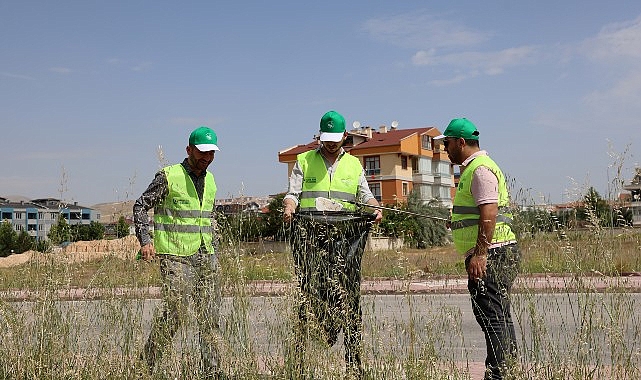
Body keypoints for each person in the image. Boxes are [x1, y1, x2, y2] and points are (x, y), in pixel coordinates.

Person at [283, 110, 383, 379]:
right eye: (325, 138)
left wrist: (376, 209)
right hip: (310, 239)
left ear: (344, 137)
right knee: (309, 296)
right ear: (319, 136)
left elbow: (367, 197)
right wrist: (290, 207)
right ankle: (301, 364)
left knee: (348, 298)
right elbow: (293, 194)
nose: (330, 143)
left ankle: (354, 365)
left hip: (346, 240)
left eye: (335, 139)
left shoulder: (353, 165)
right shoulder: (303, 161)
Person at [133, 126, 224, 378]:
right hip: (176, 257)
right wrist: (145, 240)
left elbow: (208, 218)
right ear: (189, 150)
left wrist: (216, 250)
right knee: (176, 314)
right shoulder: (168, 176)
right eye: (202, 152)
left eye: (211, 154)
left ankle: (212, 373)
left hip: (207, 256)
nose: (206, 158)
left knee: (211, 319)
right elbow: (140, 206)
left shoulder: (212, 180)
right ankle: (144, 368)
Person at [435, 118, 520, 380]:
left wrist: (481, 253)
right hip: (498, 251)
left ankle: (497, 375)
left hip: (492, 254)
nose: (444, 149)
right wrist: (459, 222)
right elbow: (478, 212)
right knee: (498, 315)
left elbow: (489, 212)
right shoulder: (474, 168)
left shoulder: (480, 170)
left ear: (461, 142)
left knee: (492, 317)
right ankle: (507, 369)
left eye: (447, 143)